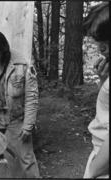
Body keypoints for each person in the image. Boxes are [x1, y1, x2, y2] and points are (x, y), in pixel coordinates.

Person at [0, 29, 40, 178]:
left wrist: (28, 125)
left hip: (17, 118)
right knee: (5, 157)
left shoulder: (22, 64)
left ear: (2, 48)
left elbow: (32, 97)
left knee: (26, 158)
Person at [83, 2, 109, 178]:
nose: (101, 48)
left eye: (107, 40)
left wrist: (93, 170)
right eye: (99, 40)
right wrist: (103, 80)